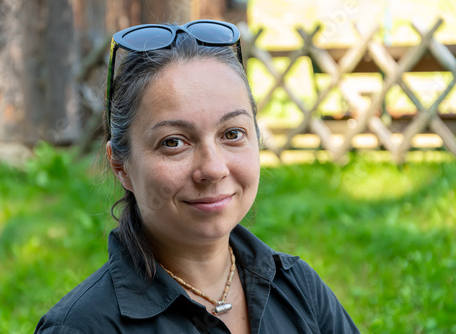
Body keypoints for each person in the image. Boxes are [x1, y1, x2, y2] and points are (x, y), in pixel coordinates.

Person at [35, 19, 359, 333]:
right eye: (173, 142)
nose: (214, 169)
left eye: (232, 133)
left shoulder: (299, 288)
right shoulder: (81, 327)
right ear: (121, 166)